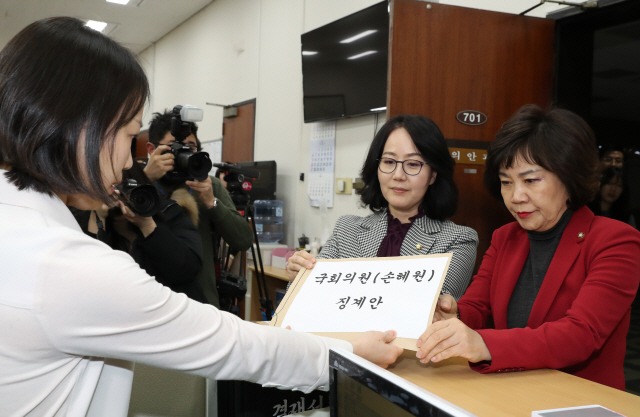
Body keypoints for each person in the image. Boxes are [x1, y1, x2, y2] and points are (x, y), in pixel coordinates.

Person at [0, 17, 403, 416]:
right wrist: (349, 353)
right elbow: (229, 345)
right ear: (80, 125)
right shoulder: (67, 266)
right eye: (128, 136)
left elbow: (237, 245)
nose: (127, 162)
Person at [416, 105, 640, 390]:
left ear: (569, 177)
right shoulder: (505, 237)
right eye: (506, 182)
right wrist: (454, 315)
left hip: (579, 399)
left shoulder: (616, 240)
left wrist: (483, 343)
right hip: (509, 391)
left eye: (531, 180)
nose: (516, 196)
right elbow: (478, 305)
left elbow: (581, 334)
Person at [286, 115, 478, 300]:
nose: (398, 175)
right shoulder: (346, 230)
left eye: (412, 164)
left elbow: (434, 312)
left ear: (433, 175)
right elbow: (308, 298)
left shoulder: (458, 240)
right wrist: (299, 276)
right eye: (389, 162)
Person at [145, 111, 252, 307]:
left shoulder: (208, 185)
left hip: (201, 302)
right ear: (152, 149)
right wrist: (146, 179)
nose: (182, 154)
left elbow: (244, 240)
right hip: (151, 300)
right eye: (173, 147)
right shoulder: (141, 183)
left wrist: (212, 203)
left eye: (190, 148)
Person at [70, 162, 209, 303]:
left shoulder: (169, 212)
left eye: (124, 189)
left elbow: (188, 270)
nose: (119, 198)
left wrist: (147, 225)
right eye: (111, 189)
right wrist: (98, 218)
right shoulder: (88, 220)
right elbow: (88, 280)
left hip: (176, 311)